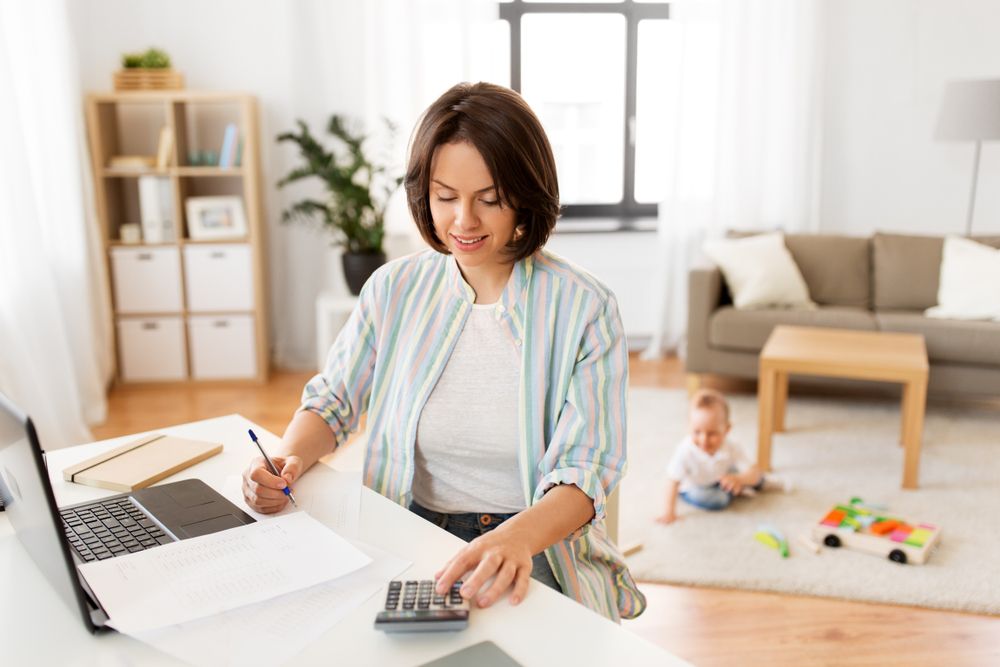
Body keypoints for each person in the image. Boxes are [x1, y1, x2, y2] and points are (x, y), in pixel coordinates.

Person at [242, 82, 645, 621]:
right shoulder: (394, 289)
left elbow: (588, 467)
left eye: (490, 199)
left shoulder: (584, 307)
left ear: (526, 194)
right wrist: (287, 459)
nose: (464, 222)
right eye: (446, 198)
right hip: (407, 526)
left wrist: (513, 540)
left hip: (531, 541)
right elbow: (333, 401)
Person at [656, 389, 789, 524]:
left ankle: (745, 486)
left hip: (723, 476)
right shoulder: (685, 451)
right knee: (719, 500)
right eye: (696, 432)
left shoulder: (732, 447)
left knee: (756, 476)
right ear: (689, 427)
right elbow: (672, 481)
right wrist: (669, 512)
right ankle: (736, 490)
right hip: (696, 486)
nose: (704, 440)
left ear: (726, 429)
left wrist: (739, 479)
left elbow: (753, 470)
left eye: (712, 433)